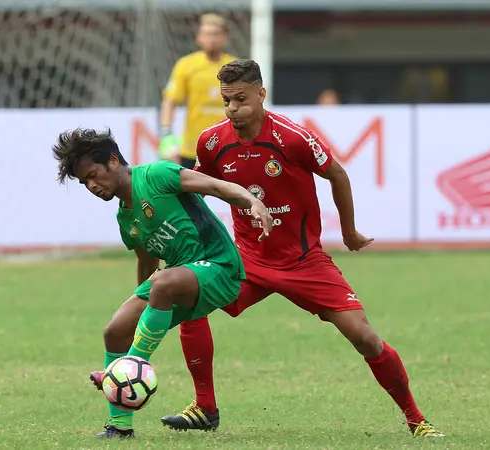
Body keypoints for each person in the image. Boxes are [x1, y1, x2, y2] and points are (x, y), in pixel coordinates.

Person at [160, 60, 445, 438]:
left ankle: (416, 420)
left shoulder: (292, 137)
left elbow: (337, 174)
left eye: (241, 100)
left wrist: (349, 232)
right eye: (226, 101)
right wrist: (189, 243)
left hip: (303, 260)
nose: (232, 109)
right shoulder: (212, 142)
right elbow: (198, 187)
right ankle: (204, 408)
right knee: (187, 302)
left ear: (261, 94)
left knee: (364, 336)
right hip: (247, 259)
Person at [52, 128, 273, 439]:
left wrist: (251, 200)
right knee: (115, 330)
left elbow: (214, 186)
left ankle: (129, 367)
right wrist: (140, 308)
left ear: (113, 160)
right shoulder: (125, 219)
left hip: (220, 267)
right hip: (178, 278)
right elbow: (147, 264)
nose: (91, 185)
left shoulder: (157, 174)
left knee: (164, 283)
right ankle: (119, 427)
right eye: (84, 182)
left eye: (93, 175)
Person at [158, 13, 236, 169]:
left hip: (229, 148)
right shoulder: (186, 65)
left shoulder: (235, 66)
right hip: (193, 149)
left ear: (225, 37)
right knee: (192, 193)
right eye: (207, 34)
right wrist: (166, 133)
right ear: (199, 37)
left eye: (216, 34)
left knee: (233, 192)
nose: (211, 39)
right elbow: (170, 100)